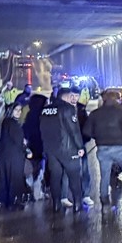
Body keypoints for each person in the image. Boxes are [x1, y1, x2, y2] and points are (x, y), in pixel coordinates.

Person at [83, 89, 122, 210]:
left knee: (105, 175)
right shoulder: (120, 112)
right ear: (116, 99)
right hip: (119, 147)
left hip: (102, 148)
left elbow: (86, 131)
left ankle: (105, 203)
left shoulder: (95, 113)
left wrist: (98, 137)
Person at [40, 83, 87, 213]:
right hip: (67, 149)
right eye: (71, 96)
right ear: (66, 96)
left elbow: (42, 130)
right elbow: (74, 130)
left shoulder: (45, 110)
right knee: (74, 177)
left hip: (51, 150)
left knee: (55, 177)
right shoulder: (68, 109)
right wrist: (80, 146)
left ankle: (56, 205)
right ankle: (78, 204)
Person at [0, 98, 28, 209]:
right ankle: (14, 202)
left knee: (5, 178)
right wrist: (26, 149)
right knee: (15, 178)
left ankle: (5, 199)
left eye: (20, 110)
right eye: (16, 110)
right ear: (10, 111)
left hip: (4, 155)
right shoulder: (13, 124)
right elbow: (19, 141)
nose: (19, 112)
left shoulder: (6, 122)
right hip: (14, 156)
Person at [22, 92, 48, 200]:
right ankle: (37, 192)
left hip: (32, 146)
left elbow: (25, 130)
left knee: (35, 168)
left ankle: (33, 189)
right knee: (40, 169)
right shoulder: (43, 116)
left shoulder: (30, 115)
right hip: (41, 147)